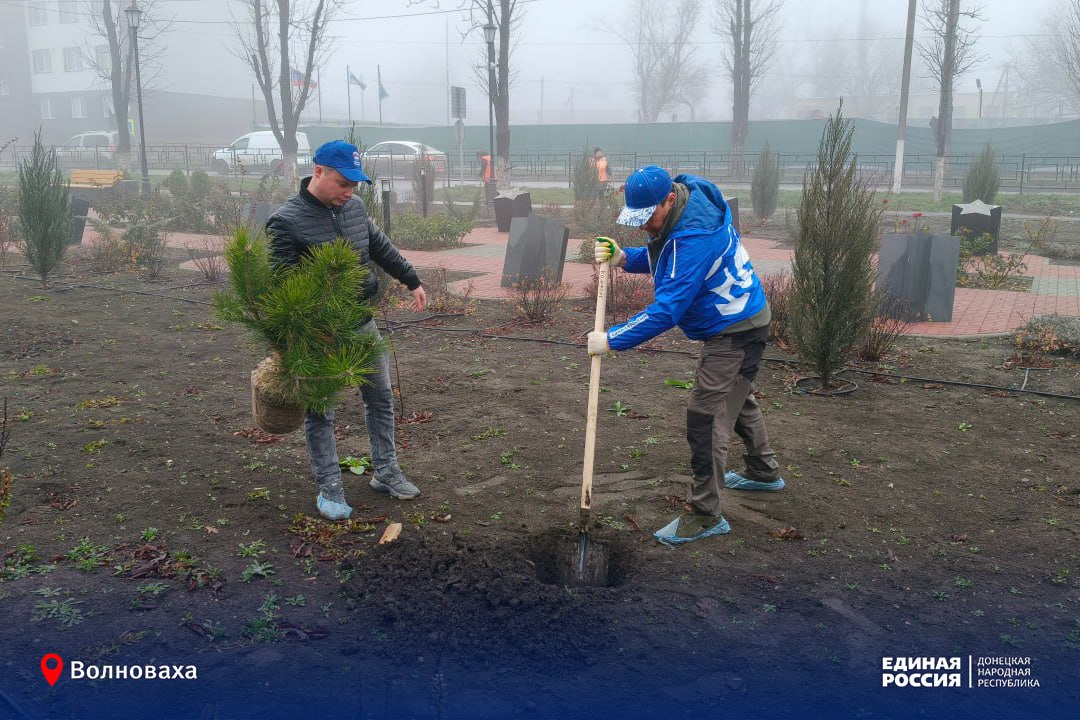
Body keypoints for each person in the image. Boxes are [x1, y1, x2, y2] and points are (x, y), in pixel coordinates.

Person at [589, 165, 785, 545]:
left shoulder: (692, 237)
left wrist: (611, 339)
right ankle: (763, 471)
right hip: (745, 319)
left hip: (734, 331)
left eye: (649, 217)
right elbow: (667, 257)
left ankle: (705, 514)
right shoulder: (689, 206)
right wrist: (624, 258)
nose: (645, 226)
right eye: (638, 218)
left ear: (668, 198)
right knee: (736, 397)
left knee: (706, 416)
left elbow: (666, 310)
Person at [266, 140, 428, 521]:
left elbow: (379, 246)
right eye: (343, 183)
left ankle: (386, 472)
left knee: (381, 398)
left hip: (360, 323)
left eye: (355, 185)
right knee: (321, 410)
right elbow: (282, 286)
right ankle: (330, 489)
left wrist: (411, 279)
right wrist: (301, 335)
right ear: (318, 171)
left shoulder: (353, 208)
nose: (349, 193)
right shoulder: (286, 222)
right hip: (318, 335)